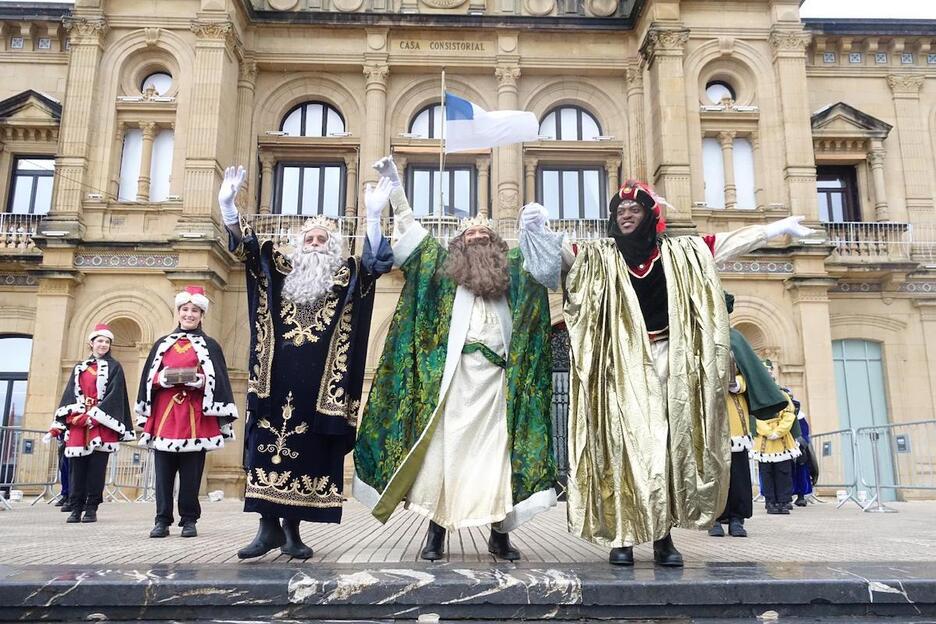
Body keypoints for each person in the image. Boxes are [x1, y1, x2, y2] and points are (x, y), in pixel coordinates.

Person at [559, 180, 820, 566]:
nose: (626, 216)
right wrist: (534, 232)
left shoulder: (682, 253)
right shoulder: (598, 256)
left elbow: (728, 243)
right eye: (619, 211)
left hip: (670, 358)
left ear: (650, 215)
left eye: (634, 210)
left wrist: (773, 229)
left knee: (668, 448)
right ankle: (624, 538)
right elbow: (560, 259)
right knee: (625, 446)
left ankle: (663, 539)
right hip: (622, 363)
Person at [354, 157, 559, 562]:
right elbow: (413, 233)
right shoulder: (441, 272)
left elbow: (548, 266)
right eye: (471, 237)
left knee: (498, 462)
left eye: (486, 236)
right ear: (459, 246)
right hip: (453, 386)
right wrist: (395, 188)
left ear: (497, 248)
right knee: (444, 461)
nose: (478, 240)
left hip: (498, 389)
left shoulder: (513, 274)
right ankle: (435, 533)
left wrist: (537, 228)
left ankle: (500, 536)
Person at [219, 165, 393, 560]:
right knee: (267, 450)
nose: (315, 244)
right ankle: (266, 531)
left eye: (322, 240)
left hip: (320, 392)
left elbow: (375, 264)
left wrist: (374, 217)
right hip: (274, 381)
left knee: (307, 456)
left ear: (332, 247)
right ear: (299, 245)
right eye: (309, 239)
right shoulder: (280, 272)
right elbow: (249, 251)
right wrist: (228, 207)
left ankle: (291, 532)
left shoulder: (346, 275)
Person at [136, 286, 238, 538]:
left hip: (195, 417)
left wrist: (201, 381)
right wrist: (161, 379)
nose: (189, 314)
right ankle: (161, 520)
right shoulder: (162, 344)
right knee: (163, 474)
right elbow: (148, 379)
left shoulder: (210, 345)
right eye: (185, 310)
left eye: (194, 310)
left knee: (191, 474)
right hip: (165, 417)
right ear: (178, 312)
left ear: (201, 314)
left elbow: (219, 380)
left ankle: (189, 519)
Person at [709, 297, 790, 538]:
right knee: (712, 470)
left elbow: (752, 376)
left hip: (734, 414)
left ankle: (737, 517)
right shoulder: (698, 335)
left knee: (738, 470)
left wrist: (738, 384)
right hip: (709, 414)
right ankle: (713, 517)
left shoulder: (736, 339)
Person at [49, 323, 134, 523]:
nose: (103, 345)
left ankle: (91, 508)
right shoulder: (80, 367)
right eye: (100, 341)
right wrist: (70, 418)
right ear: (92, 343)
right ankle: (75, 506)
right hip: (79, 423)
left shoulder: (115, 367)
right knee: (77, 467)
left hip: (101, 424)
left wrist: (94, 416)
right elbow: (70, 394)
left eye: (107, 342)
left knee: (96, 468)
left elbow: (115, 395)